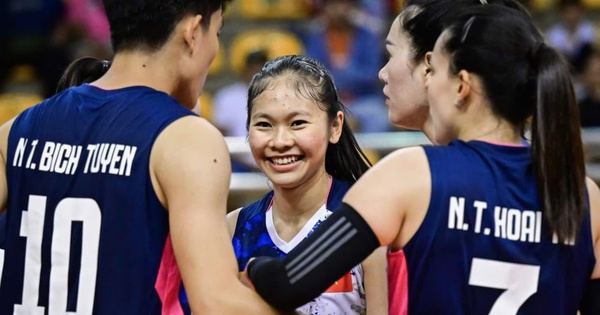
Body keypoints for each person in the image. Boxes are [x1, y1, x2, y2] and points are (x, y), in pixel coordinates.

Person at [242, 5, 600, 315]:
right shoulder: (584, 194)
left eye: (434, 70)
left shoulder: (411, 174)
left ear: (461, 85)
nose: (427, 82)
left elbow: (290, 282)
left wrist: (253, 266)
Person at [0, 0, 281, 314]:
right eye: (216, 33)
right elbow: (215, 302)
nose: (214, 48)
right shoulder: (185, 138)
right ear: (192, 33)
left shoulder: (15, 131)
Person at [227, 55, 388, 315]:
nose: (279, 141)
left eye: (297, 123)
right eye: (264, 125)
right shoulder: (232, 228)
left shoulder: (369, 225)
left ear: (335, 126)